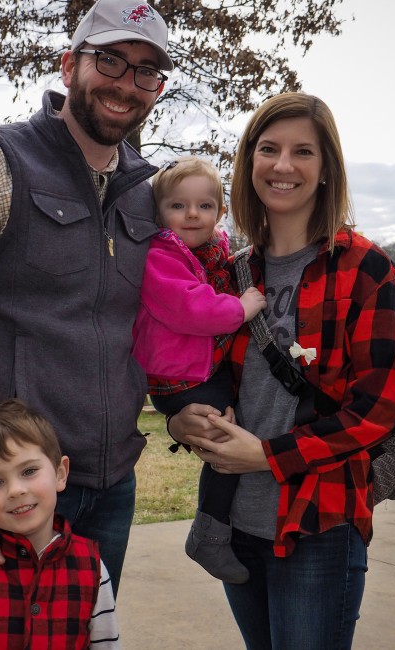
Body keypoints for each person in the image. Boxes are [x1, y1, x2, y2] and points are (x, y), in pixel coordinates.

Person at [0, 0, 174, 610]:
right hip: (2, 494)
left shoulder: (148, 199)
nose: (126, 84)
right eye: (111, 60)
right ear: (69, 64)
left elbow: (155, 331)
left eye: (146, 70)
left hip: (109, 488)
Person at [167, 92, 395, 649]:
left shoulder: (367, 270)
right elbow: (187, 366)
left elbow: (378, 410)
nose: (283, 165)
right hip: (234, 526)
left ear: (326, 170)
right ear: (249, 162)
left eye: (303, 151)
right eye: (269, 149)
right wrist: (180, 421)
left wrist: (268, 455)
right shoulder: (229, 271)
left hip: (318, 526)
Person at [131, 156, 266, 583]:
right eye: (178, 205)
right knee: (226, 442)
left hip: (207, 370)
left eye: (205, 205)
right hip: (179, 376)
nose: (193, 214)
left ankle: (218, 527)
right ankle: (209, 533)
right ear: (159, 213)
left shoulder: (216, 252)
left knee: (236, 431)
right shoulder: (159, 255)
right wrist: (241, 309)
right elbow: (193, 309)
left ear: (220, 212)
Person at [0, 399, 120, 649]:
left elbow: (106, 644)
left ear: (60, 473)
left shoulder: (92, 566)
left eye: (28, 471)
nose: (15, 490)